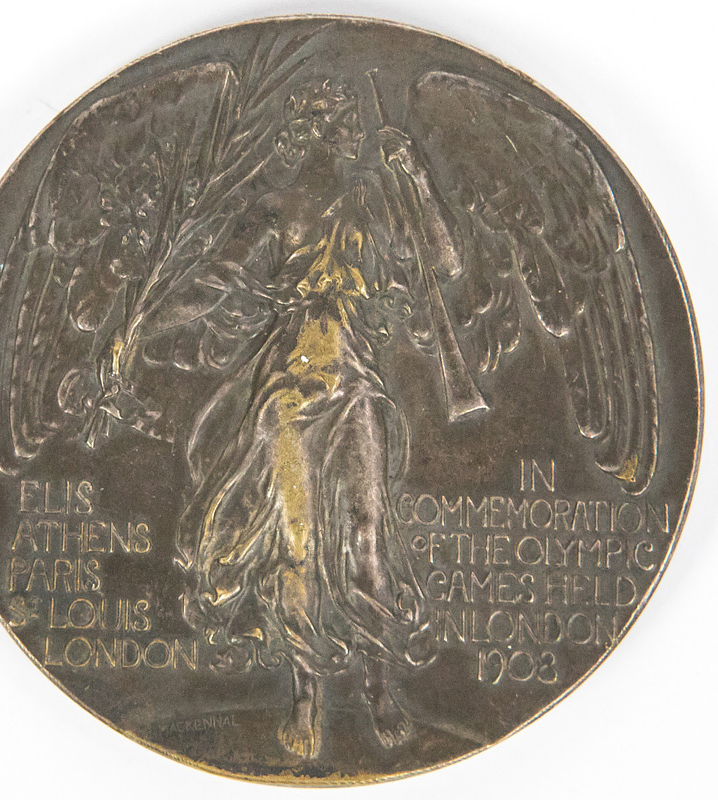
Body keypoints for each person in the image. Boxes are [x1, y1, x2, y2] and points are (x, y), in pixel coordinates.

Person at [174, 79, 453, 758]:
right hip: (289, 391)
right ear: (312, 128)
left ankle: (379, 684)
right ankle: (306, 694)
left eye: (351, 120)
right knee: (295, 542)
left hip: (354, 382)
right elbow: (212, 285)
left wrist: (418, 181)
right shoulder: (273, 207)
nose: (352, 131)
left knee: (366, 534)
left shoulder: (375, 199)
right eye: (339, 120)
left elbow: (443, 262)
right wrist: (139, 322)